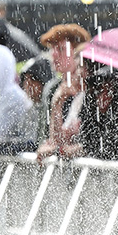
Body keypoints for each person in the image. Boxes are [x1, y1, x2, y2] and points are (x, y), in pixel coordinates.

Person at [35, 24, 91, 159]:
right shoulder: (51, 89)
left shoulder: (91, 88)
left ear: (78, 53)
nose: (53, 54)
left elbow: (90, 144)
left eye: (60, 49)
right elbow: (46, 137)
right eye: (52, 49)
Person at [61, 64, 118, 161]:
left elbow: (108, 148)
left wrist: (78, 149)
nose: (102, 96)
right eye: (97, 89)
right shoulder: (90, 108)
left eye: (109, 90)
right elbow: (89, 142)